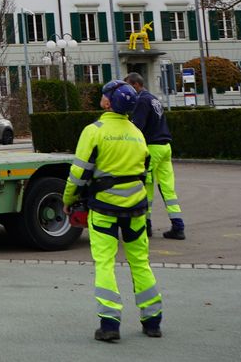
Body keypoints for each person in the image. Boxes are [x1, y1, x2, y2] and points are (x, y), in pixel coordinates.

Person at [64, 80, 164, 341]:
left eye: (104, 95)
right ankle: (152, 321)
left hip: (104, 207)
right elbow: (146, 172)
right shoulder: (136, 133)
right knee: (140, 262)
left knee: (105, 263)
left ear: (108, 102)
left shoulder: (94, 131)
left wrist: (68, 199)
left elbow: (79, 173)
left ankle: (109, 325)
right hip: (136, 208)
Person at [125, 71, 184, 239]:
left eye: (129, 86)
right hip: (165, 146)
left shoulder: (142, 100)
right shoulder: (153, 98)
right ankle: (178, 226)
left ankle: (146, 226)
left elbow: (137, 127)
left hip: (152, 148)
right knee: (167, 189)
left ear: (136, 84)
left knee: (146, 188)